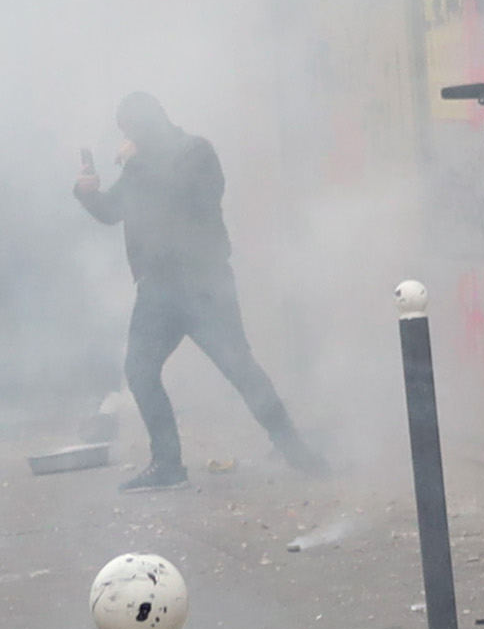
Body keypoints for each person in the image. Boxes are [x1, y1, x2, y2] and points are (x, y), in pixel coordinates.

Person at [74, 94, 323, 491]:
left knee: (240, 368)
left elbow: (187, 195)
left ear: (150, 124)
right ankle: (168, 463)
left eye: (132, 130)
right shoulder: (140, 164)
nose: (128, 138)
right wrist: (88, 193)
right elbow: (112, 211)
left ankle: (296, 451)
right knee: (140, 371)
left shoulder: (195, 151)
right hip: (158, 288)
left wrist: (138, 160)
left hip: (203, 283)